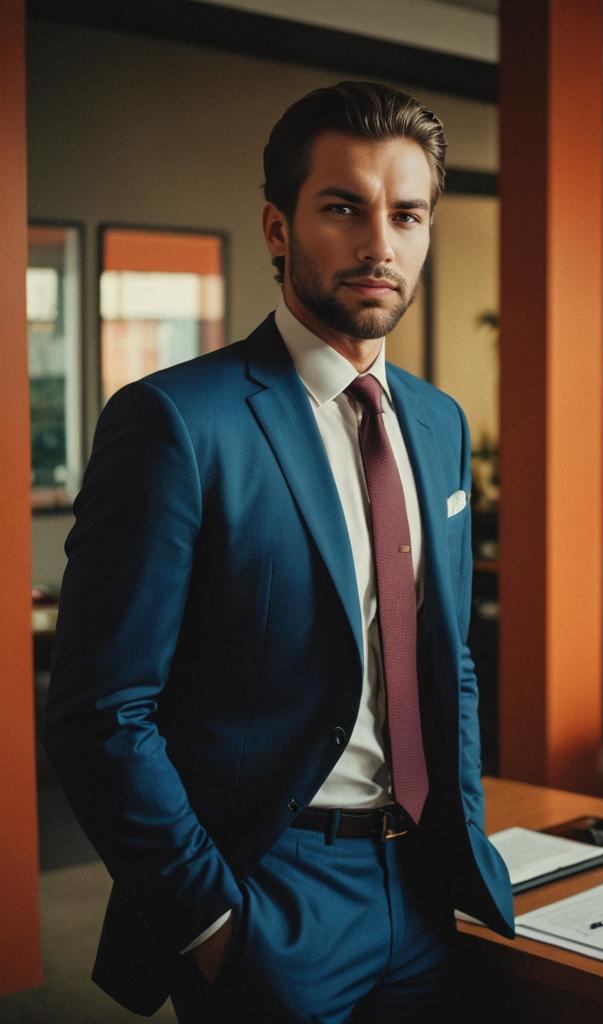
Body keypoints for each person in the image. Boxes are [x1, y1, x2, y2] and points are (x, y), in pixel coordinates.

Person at [44, 81, 514, 1023]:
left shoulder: (439, 421)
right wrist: (212, 923)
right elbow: (102, 713)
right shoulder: (176, 422)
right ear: (277, 227)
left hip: (423, 884)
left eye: (408, 213)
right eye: (344, 207)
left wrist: (463, 830)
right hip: (271, 890)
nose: (381, 242)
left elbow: (445, 658)